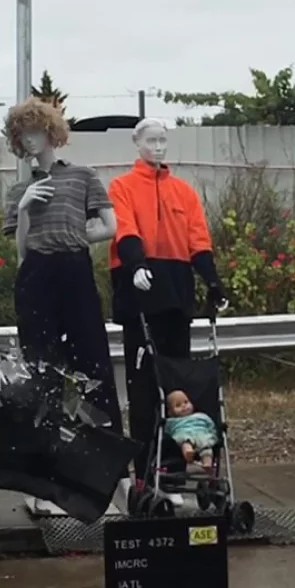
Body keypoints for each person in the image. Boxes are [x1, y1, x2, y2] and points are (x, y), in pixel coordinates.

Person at [108, 117, 226, 472]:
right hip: (141, 295)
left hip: (176, 293)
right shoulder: (122, 186)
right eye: (151, 141)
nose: (158, 147)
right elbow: (124, 229)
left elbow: (198, 242)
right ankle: (145, 466)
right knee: (144, 385)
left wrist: (213, 282)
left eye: (163, 141)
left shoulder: (183, 192)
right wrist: (136, 265)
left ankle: (175, 461)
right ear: (137, 143)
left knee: (179, 382)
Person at [1, 97, 123, 431]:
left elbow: (111, 226)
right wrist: (25, 209)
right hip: (36, 274)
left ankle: (105, 445)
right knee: (40, 362)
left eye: (36, 131)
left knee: (92, 358)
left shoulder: (82, 177)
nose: (30, 140)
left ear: (50, 131)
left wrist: (77, 235)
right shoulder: (18, 191)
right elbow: (22, 252)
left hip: (74, 270)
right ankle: (47, 445)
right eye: (23, 134)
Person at [164, 389, 218, 471]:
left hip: (201, 433)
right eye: (178, 405)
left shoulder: (200, 416)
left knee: (206, 445)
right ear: (170, 412)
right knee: (185, 441)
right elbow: (166, 429)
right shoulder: (173, 421)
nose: (184, 406)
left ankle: (207, 463)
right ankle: (188, 454)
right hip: (184, 432)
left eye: (186, 402)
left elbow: (210, 425)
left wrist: (213, 434)